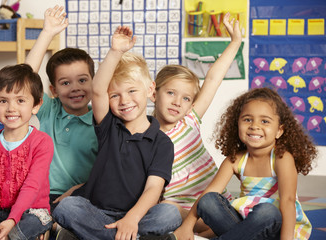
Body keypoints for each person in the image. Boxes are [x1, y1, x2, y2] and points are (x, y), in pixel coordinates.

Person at [52, 26, 181, 240]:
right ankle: (130, 237)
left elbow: (153, 189)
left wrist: (132, 218)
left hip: (138, 215)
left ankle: (105, 235)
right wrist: (115, 51)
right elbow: (97, 90)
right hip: (97, 212)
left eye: (132, 91)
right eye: (115, 96)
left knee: (170, 214)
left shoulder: (162, 142)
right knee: (66, 207)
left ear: (150, 90)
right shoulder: (109, 125)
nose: (124, 101)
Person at [173, 87, 317, 240]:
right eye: (248, 119)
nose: (255, 126)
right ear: (237, 124)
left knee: (267, 211)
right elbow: (209, 193)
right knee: (208, 201)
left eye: (265, 121)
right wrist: (186, 226)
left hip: (274, 228)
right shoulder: (235, 159)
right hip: (245, 227)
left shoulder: (282, 158)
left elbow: (288, 201)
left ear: (279, 131)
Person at [151, 12, 241, 237]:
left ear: (192, 104)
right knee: (164, 210)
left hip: (215, 204)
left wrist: (235, 41)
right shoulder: (145, 134)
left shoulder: (190, 120)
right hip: (179, 210)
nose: (177, 102)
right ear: (154, 92)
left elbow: (212, 79)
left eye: (186, 98)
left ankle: (207, 233)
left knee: (238, 213)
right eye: (170, 93)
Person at [0, 64, 54, 239]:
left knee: (37, 221)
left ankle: (8, 234)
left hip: (32, 212)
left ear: (36, 106)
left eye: (20, 100)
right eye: (3, 101)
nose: (11, 108)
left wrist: (13, 220)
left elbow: (32, 186)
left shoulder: (42, 142)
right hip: (1, 212)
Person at [25, 5, 98, 212]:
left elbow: (106, 171)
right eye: (65, 83)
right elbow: (24, 79)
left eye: (82, 80)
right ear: (53, 90)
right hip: (41, 196)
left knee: (73, 213)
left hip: (82, 195)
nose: (75, 88)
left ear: (94, 82)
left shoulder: (100, 120)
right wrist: (47, 33)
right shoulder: (48, 109)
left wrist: (80, 190)